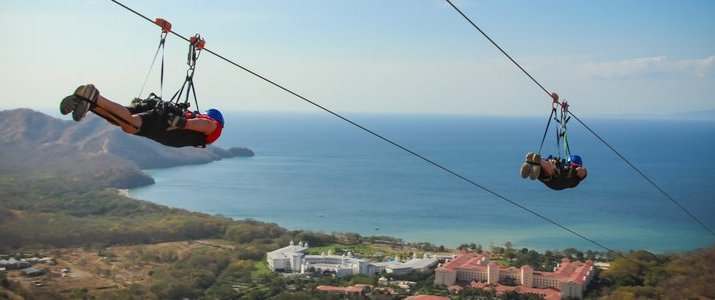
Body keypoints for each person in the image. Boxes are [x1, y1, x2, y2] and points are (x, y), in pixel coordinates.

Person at [60, 84, 224, 148]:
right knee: (131, 125)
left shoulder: (197, 121)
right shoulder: (213, 126)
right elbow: (208, 125)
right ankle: (95, 97)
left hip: (160, 111)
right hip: (166, 120)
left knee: (122, 121)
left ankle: (90, 102)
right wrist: (182, 123)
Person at [520, 152, 587, 190]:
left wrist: (575, 170)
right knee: (549, 169)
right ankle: (533, 166)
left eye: (575, 166)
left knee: (555, 172)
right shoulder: (567, 169)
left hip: (557, 180)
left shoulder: (575, 180)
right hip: (550, 180)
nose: (571, 166)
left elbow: (583, 172)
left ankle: (538, 161)